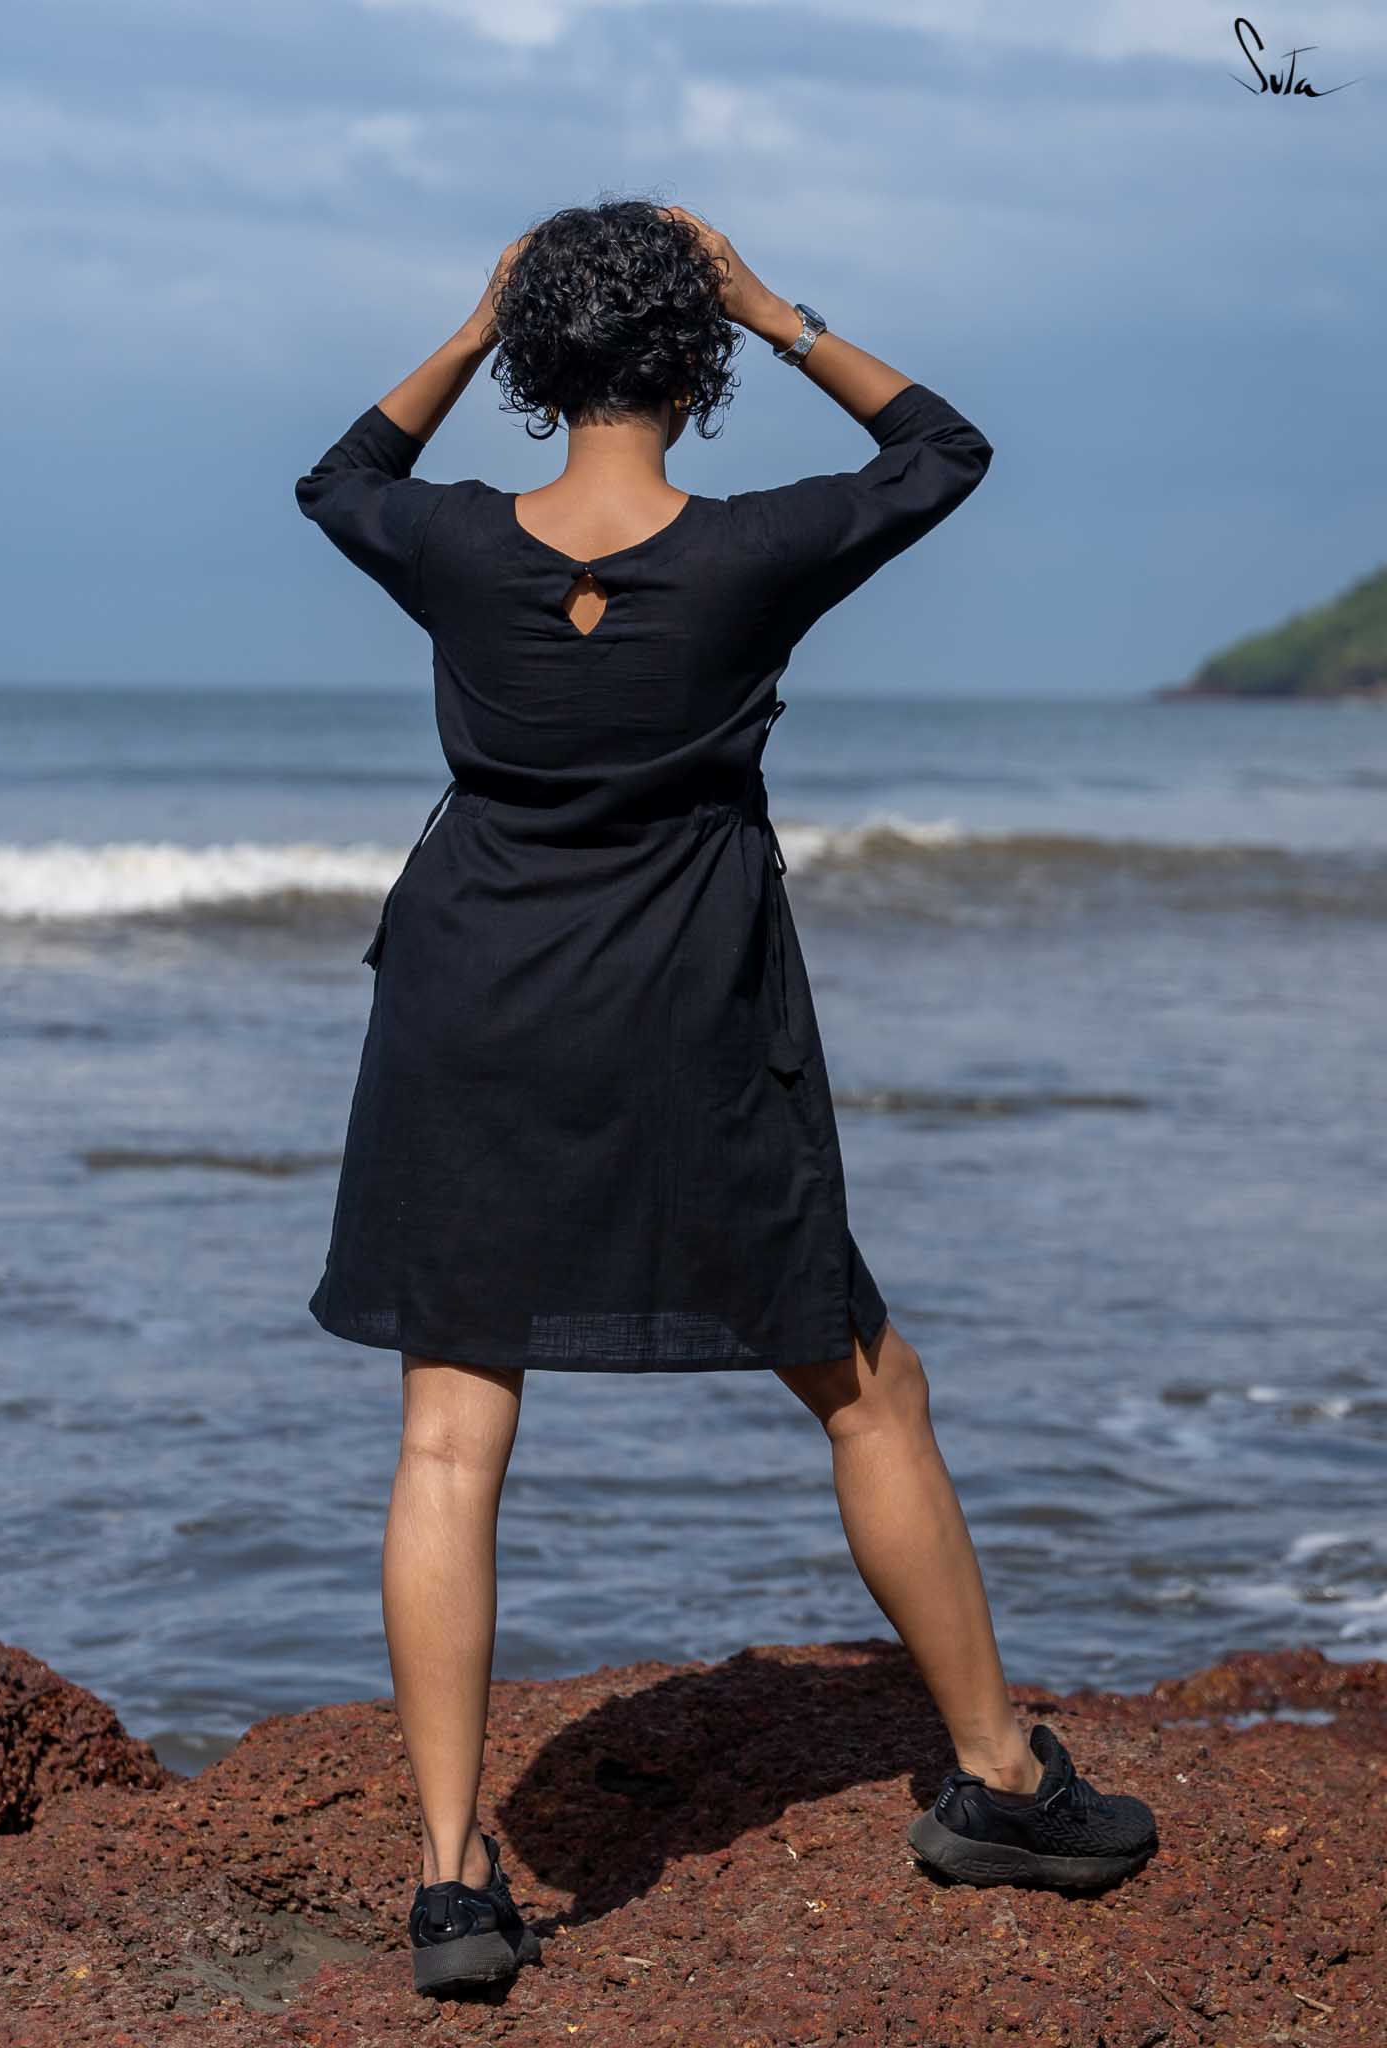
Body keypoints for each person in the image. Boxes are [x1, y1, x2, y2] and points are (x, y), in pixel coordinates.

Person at [294, 199, 1157, 1999]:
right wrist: (775, 307)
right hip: (690, 1010)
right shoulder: (757, 549)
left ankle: (456, 1884)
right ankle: (999, 1776)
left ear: (532, 365)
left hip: (474, 1005)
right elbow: (944, 446)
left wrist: (471, 323)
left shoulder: (452, 548)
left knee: (451, 1435)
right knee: (860, 1384)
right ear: (693, 366)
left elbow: (340, 474)